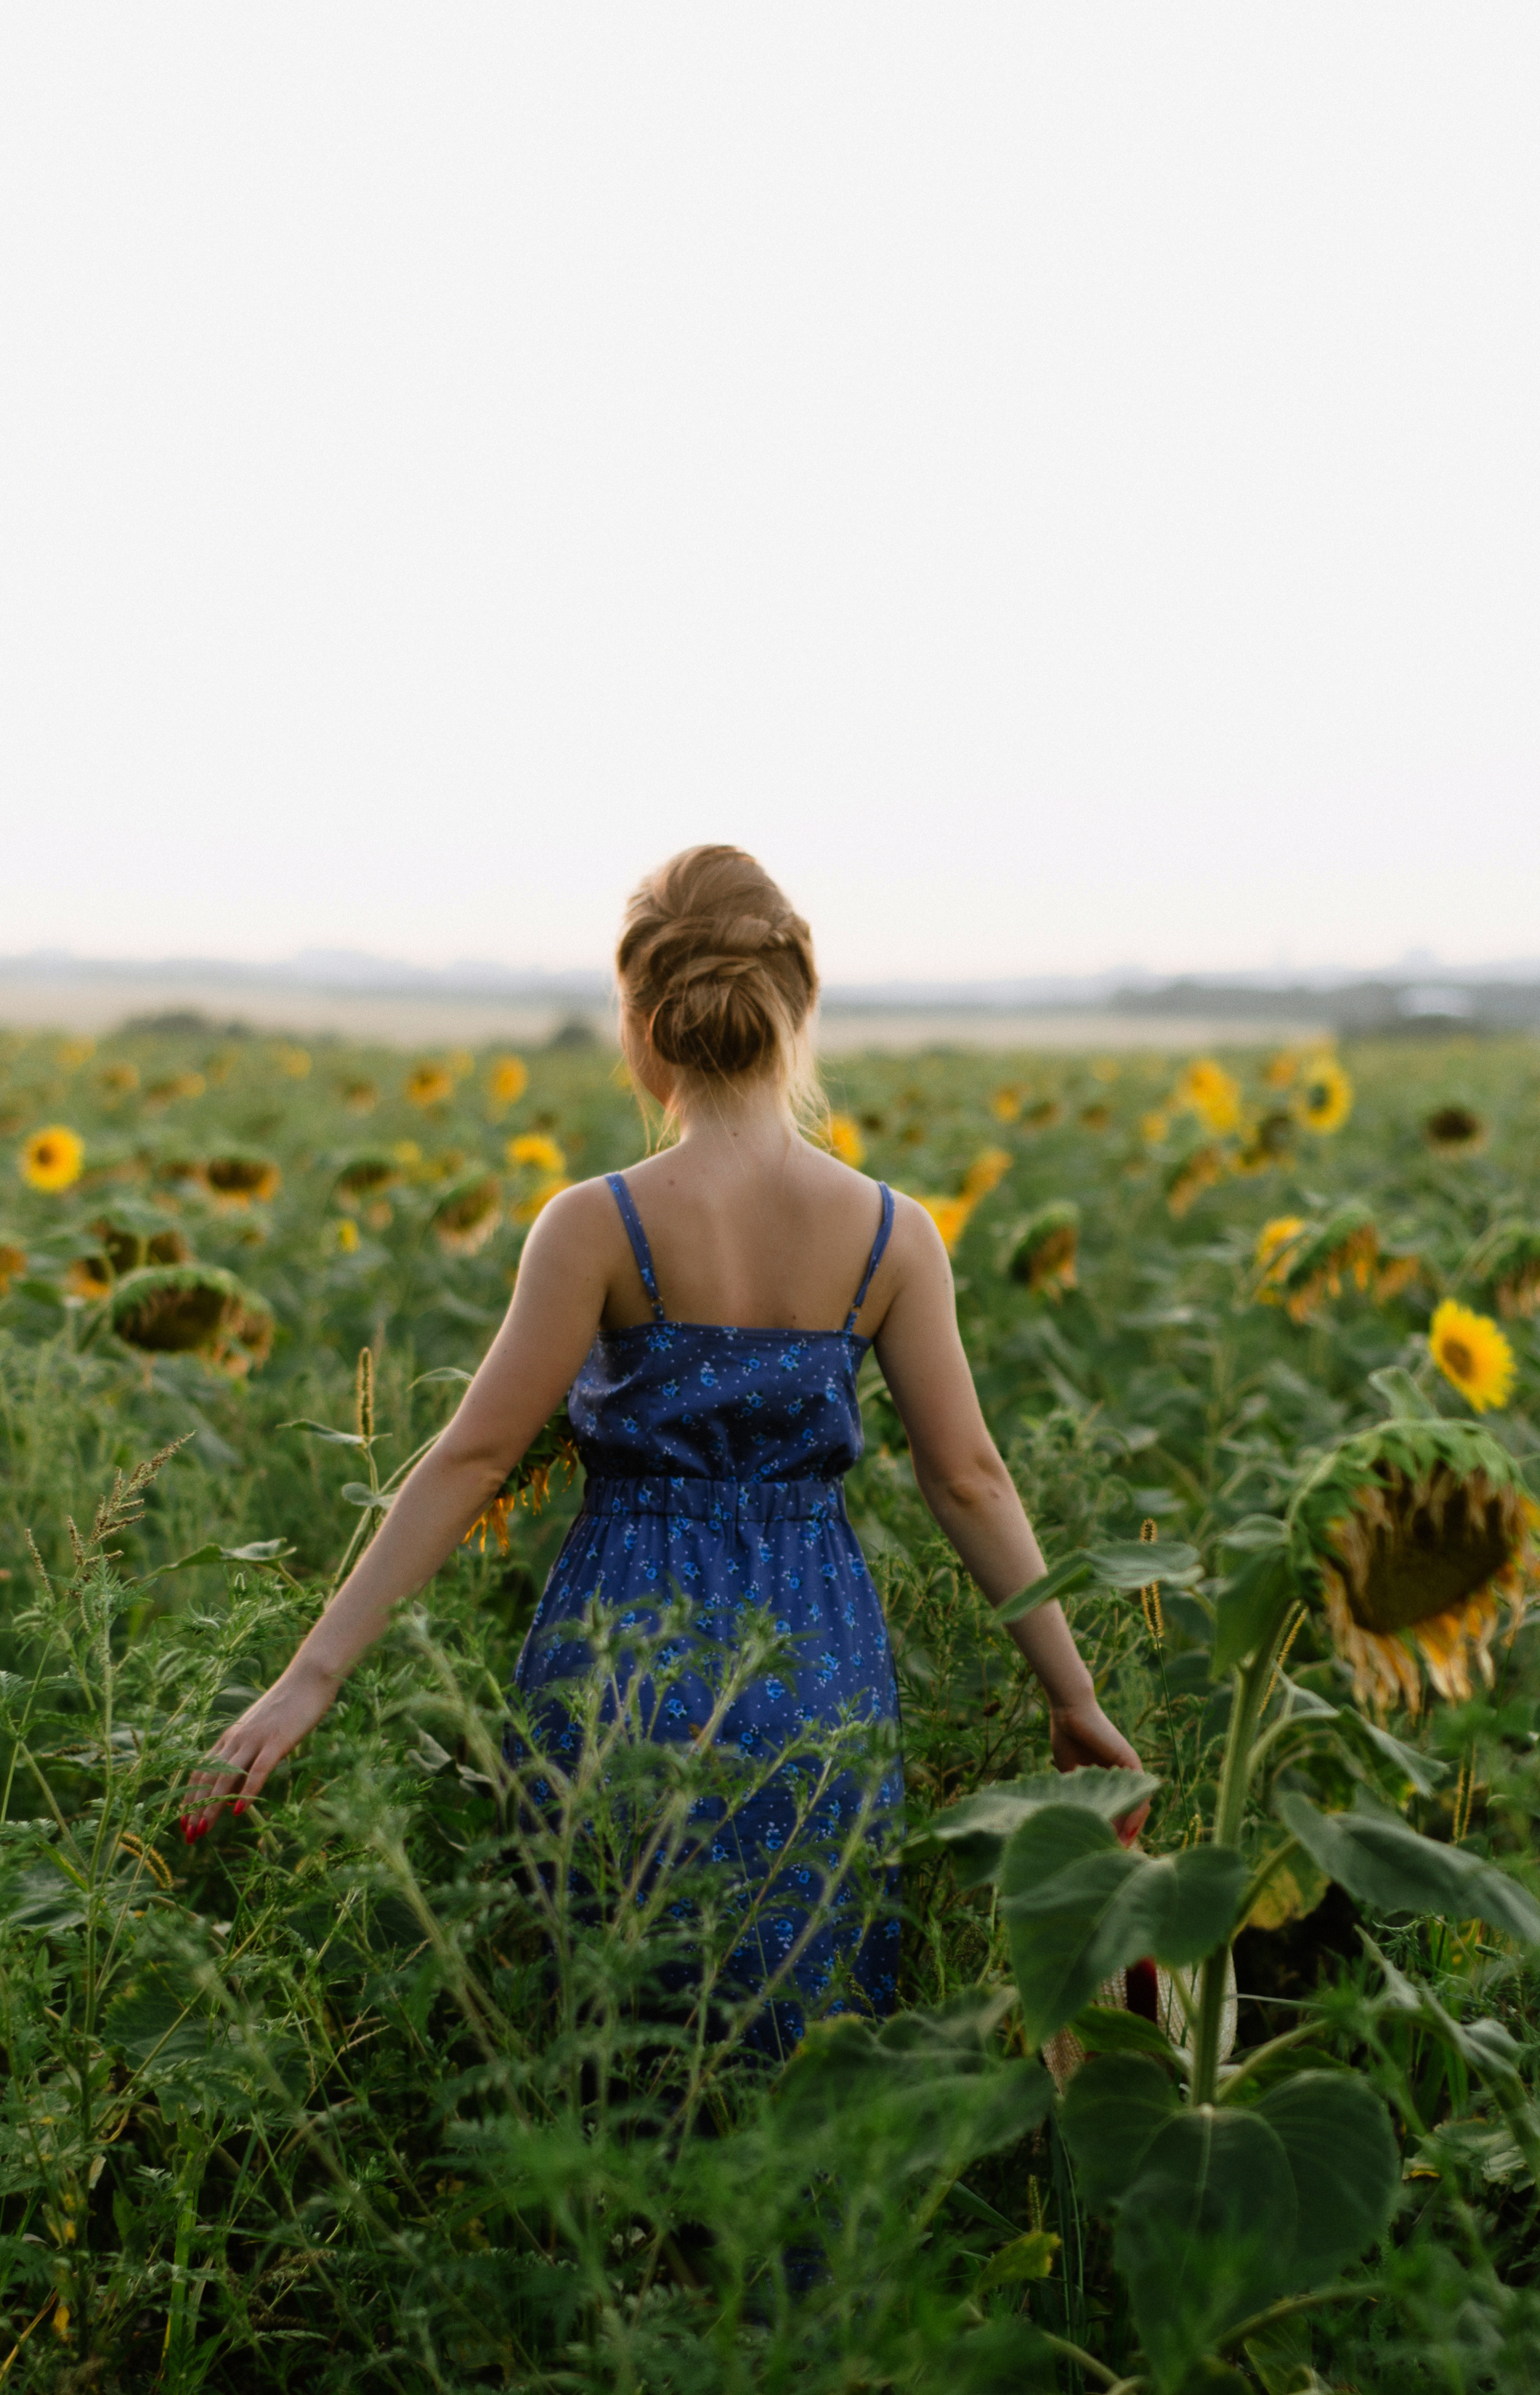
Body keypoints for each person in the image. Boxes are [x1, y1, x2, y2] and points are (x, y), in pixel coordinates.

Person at [184, 843, 1145, 2044]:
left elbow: (472, 1458)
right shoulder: (893, 1235)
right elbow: (969, 1479)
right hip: (810, 1663)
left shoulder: (595, 1225)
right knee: (798, 2023)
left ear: (641, 1024)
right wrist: (1075, 1694)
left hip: (621, 1656)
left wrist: (310, 1675)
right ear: (802, 1002)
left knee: (614, 2031)